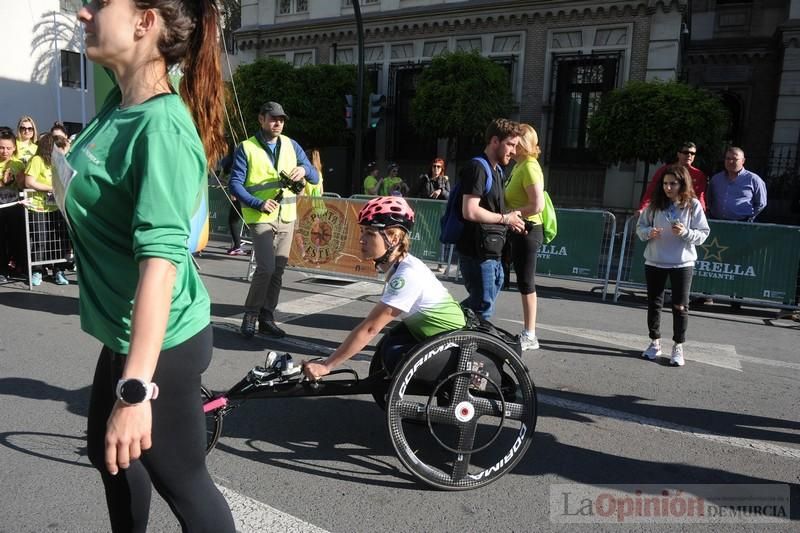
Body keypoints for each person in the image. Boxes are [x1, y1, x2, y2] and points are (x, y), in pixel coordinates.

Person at [67, 2, 235, 531]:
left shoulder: (161, 129)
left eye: (99, 4)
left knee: (185, 485)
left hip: (165, 344)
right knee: (109, 454)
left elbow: (160, 265)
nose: (83, 14)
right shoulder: (119, 104)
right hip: (125, 331)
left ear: (145, 22)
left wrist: (136, 390)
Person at [301, 196, 466, 380]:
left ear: (394, 238)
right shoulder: (399, 266)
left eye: (370, 233)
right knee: (391, 348)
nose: (361, 239)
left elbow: (370, 328)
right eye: (362, 231)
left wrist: (326, 365)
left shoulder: (407, 275)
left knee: (395, 356)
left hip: (455, 349)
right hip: (436, 340)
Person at [229, 101, 319, 339]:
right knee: (266, 268)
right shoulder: (246, 147)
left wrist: (304, 170)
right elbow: (235, 184)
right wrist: (258, 202)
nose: (278, 123)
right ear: (261, 119)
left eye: (281, 119)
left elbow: (314, 175)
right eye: (273, 118)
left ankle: (267, 316)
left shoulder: (291, 145)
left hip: (286, 217)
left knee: (278, 270)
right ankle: (250, 315)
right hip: (260, 217)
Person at [636, 165, 710, 366]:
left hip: (682, 263)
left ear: (682, 184)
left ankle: (678, 346)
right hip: (655, 261)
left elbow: (703, 233)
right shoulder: (654, 205)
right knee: (654, 303)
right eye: (665, 183)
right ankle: (654, 342)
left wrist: (686, 233)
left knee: (680, 306)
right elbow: (640, 228)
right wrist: (648, 232)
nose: (668, 187)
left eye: (673, 184)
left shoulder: (692, 205)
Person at [457, 119, 525, 320]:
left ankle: (445, 322)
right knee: (483, 309)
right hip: (476, 252)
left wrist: (514, 219)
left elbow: (492, 208)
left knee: (480, 303)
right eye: (510, 145)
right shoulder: (477, 168)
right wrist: (506, 219)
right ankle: (471, 348)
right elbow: (470, 211)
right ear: (495, 141)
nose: (513, 152)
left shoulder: (497, 171)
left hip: (492, 251)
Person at [503, 123, 545, 351]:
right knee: (521, 281)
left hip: (527, 230)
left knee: (527, 282)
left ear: (523, 143)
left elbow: (537, 204)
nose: (511, 144)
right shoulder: (519, 166)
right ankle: (528, 332)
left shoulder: (529, 166)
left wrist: (513, 215)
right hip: (517, 228)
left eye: (514, 141)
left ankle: (530, 334)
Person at [23, 133, 71, 286]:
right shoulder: (37, 160)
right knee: (40, 240)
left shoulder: (61, 162)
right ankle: (37, 270)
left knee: (58, 240)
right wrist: (51, 188)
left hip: (58, 207)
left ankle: (59, 270)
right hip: (39, 207)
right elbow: (29, 182)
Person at [638, 141, 708, 213]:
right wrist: (643, 208)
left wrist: (701, 210)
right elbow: (652, 191)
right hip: (664, 208)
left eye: (692, 153)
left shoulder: (699, 175)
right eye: (686, 152)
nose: (689, 155)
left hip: (687, 212)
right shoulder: (665, 170)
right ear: (678, 154)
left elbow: (700, 196)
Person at [707, 146, 767, 222]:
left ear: (743, 161)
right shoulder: (716, 179)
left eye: (734, 159)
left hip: (741, 224)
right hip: (717, 221)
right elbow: (709, 198)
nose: (730, 161)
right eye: (728, 158)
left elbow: (761, 203)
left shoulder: (754, 179)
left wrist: (750, 218)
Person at [0, 127, 26, 283]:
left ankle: (19, 267)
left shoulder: (17, 163)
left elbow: (23, 185)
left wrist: (19, 179)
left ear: (14, 147)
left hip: (15, 206)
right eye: (1, 147)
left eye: (8, 148)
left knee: (17, 238)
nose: (5, 151)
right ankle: (2, 269)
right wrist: (4, 182)